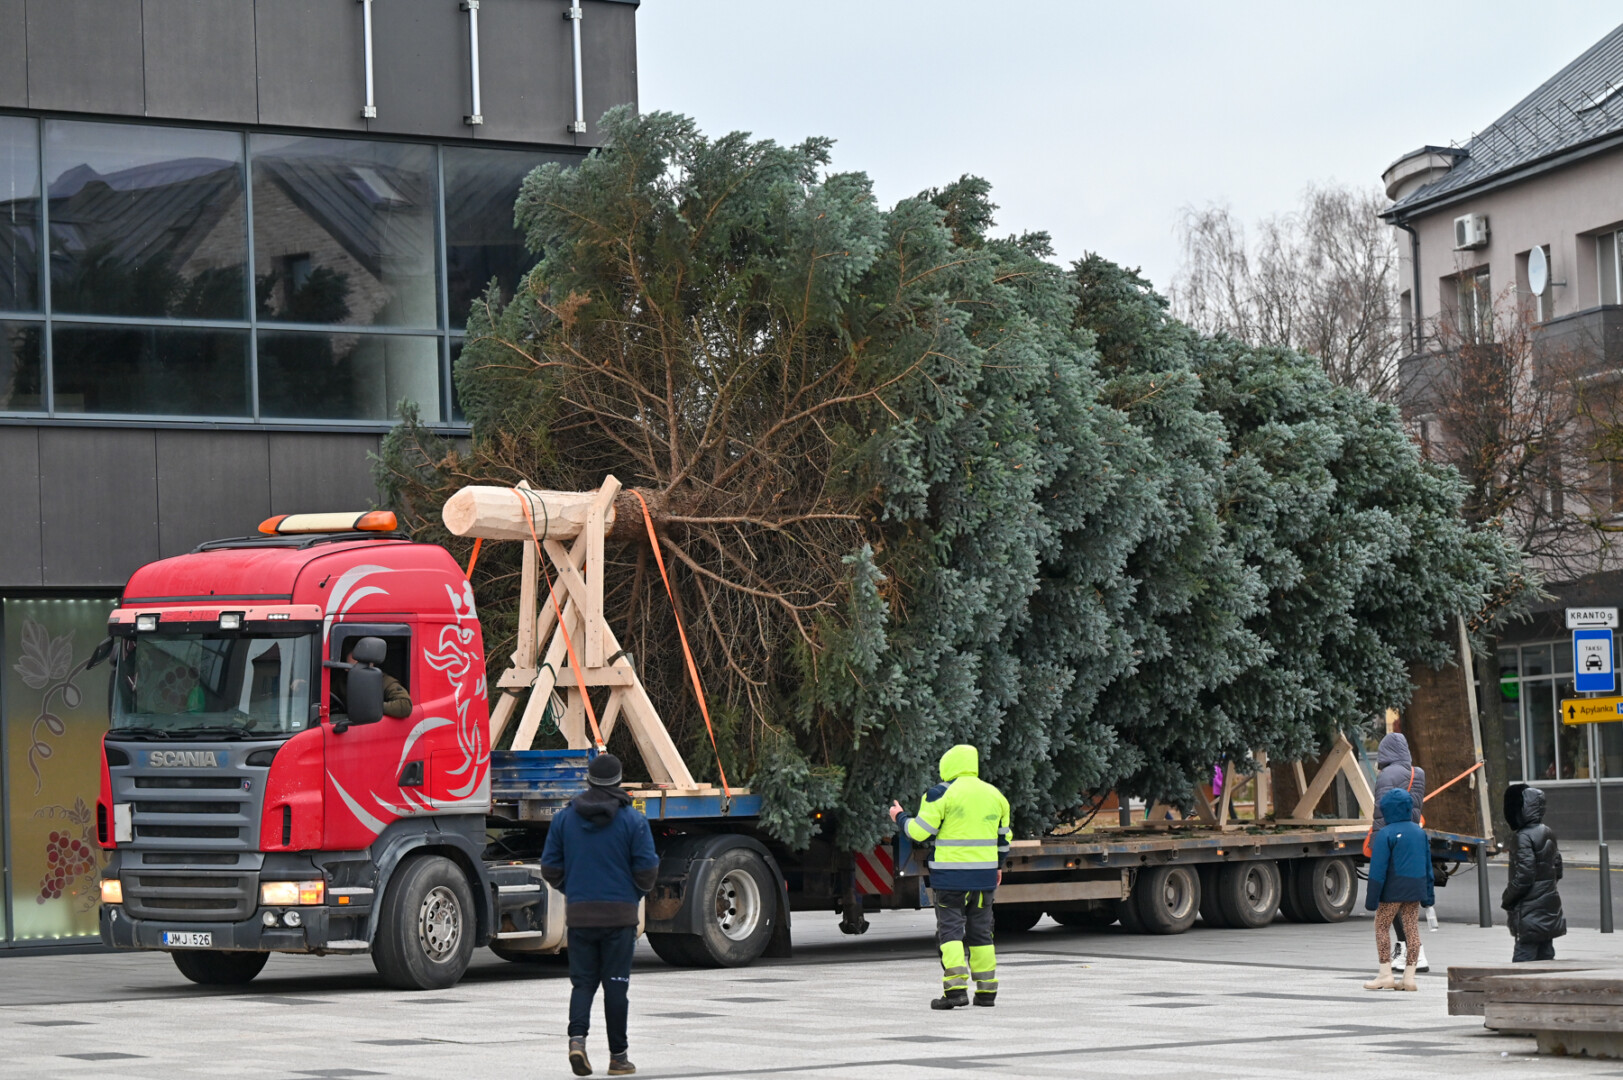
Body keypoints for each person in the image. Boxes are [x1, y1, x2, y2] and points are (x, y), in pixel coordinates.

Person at [542, 753, 658, 1077]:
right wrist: (631, 895)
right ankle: (618, 1058)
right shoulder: (633, 820)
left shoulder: (565, 818)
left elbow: (550, 868)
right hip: (619, 919)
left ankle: (577, 1041)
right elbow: (648, 870)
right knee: (616, 987)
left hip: (580, 917)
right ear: (619, 781)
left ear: (589, 780)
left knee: (582, 985)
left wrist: (573, 890)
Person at [889, 744, 1011, 1010]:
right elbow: (1004, 840)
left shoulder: (939, 793)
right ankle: (987, 992)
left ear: (948, 765)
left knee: (951, 932)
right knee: (982, 933)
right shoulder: (995, 795)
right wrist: (998, 866)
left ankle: (955, 991)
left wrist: (900, 817)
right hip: (984, 879)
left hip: (950, 880)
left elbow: (920, 832)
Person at [1363, 787, 1434, 991]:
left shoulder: (1386, 833)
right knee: (1411, 928)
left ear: (1387, 810)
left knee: (1381, 926)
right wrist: (1429, 896)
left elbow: (1378, 869)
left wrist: (1371, 900)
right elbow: (1427, 865)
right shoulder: (1420, 833)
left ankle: (1385, 974)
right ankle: (1409, 977)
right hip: (1416, 887)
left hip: (1393, 889)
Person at [1370, 732, 1429, 973]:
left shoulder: (1387, 775)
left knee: (1388, 904)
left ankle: (1399, 958)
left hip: (1392, 841)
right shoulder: (1419, 773)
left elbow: (1381, 812)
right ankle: (1415, 955)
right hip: (1412, 837)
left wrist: (1377, 844)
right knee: (1408, 906)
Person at [1502, 783, 1566, 962]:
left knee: (1523, 959)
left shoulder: (1522, 836)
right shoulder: (1548, 832)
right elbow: (1558, 869)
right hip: (1549, 904)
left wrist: (1508, 898)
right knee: (1546, 955)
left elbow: (1524, 875)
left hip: (1528, 908)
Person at [328, 649, 412, 719]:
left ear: (371, 665)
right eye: (348, 668)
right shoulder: (342, 681)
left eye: (356, 667)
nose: (348, 671)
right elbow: (328, 696)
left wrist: (373, 707)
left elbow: (405, 705)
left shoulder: (384, 681)